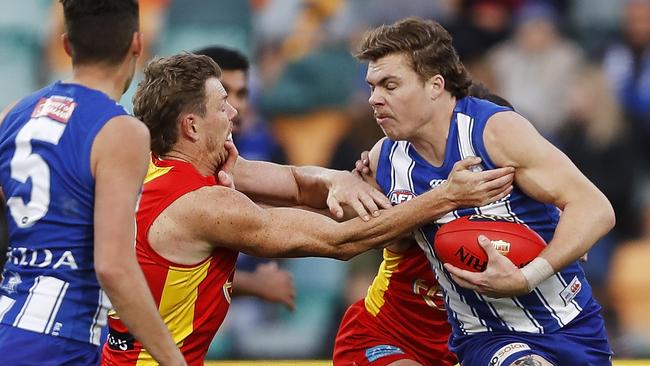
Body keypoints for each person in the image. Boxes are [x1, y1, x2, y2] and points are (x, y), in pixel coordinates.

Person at [100, 52, 515, 365]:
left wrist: (342, 181)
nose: (234, 113)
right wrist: (447, 196)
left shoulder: (166, 169)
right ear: (191, 127)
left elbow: (298, 183)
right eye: (222, 104)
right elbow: (341, 241)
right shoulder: (204, 202)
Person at [353, 17, 615, 366]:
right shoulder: (383, 160)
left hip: (569, 324)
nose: (374, 99)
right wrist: (342, 184)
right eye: (372, 87)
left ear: (435, 85)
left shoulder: (495, 132)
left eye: (389, 85)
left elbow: (596, 209)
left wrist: (527, 275)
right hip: (485, 337)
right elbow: (373, 240)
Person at [0, 1, 185, 365]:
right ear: (137, 44)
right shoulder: (121, 130)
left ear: (67, 44)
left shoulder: (15, 113)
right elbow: (113, 266)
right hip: (60, 340)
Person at [333, 88, 514, 366]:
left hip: (474, 347)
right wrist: (377, 183)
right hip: (387, 336)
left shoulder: (529, 208)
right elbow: (393, 236)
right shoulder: (407, 184)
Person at [193, 45, 295, 310]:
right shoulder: (178, 160)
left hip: (242, 288)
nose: (236, 105)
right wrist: (255, 285)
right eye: (225, 93)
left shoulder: (266, 145)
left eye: (242, 93)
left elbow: (291, 198)